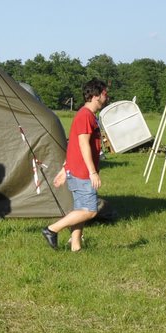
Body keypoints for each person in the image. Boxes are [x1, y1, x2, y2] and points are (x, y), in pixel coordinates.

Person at [43, 79, 110, 251]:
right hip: (82, 172)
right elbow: (82, 144)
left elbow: (72, 146)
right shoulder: (85, 115)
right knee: (90, 211)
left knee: (81, 209)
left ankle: (76, 246)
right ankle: (52, 229)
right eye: (104, 93)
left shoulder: (87, 115)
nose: (107, 96)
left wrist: (65, 169)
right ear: (95, 95)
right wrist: (92, 172)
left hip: (77, 170)